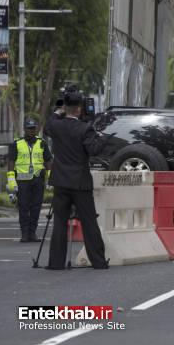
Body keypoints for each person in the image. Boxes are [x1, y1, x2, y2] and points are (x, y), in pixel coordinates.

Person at [44, 90, 109, 270]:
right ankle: (98, 261)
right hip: (80, 182)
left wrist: (59, 111)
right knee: (89, 222)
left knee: (59, 223)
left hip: (60, 181)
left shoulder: (56, 126)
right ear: (79, 109)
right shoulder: (84, 128)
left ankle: (56, 263)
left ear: (66, 108)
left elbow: (49, 124)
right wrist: (102, 137)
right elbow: (94, 150)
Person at [7, 118, 52, 242]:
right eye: (29, 128)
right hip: (22, 180)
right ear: (24, 129)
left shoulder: (42, 143)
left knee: (36, 207)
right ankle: (25, 233)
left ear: (36, 129)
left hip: (38, 179)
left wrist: (50, 176)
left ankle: (32, 233)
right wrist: (11, 178)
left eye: (33, 128)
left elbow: (48, 160)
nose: (31, 131)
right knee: (24, 207)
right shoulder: (16, 144)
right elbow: (11, 161)